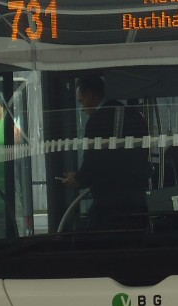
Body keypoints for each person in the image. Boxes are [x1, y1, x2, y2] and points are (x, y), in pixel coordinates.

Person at [61, 73, 149, 224]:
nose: (82, 108)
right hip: (138, 203)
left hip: (109, 206)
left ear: (89, 96)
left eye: (81, 101)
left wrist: (78, 179)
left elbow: (94, 162)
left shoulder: (97, 121)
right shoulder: (135, 116)